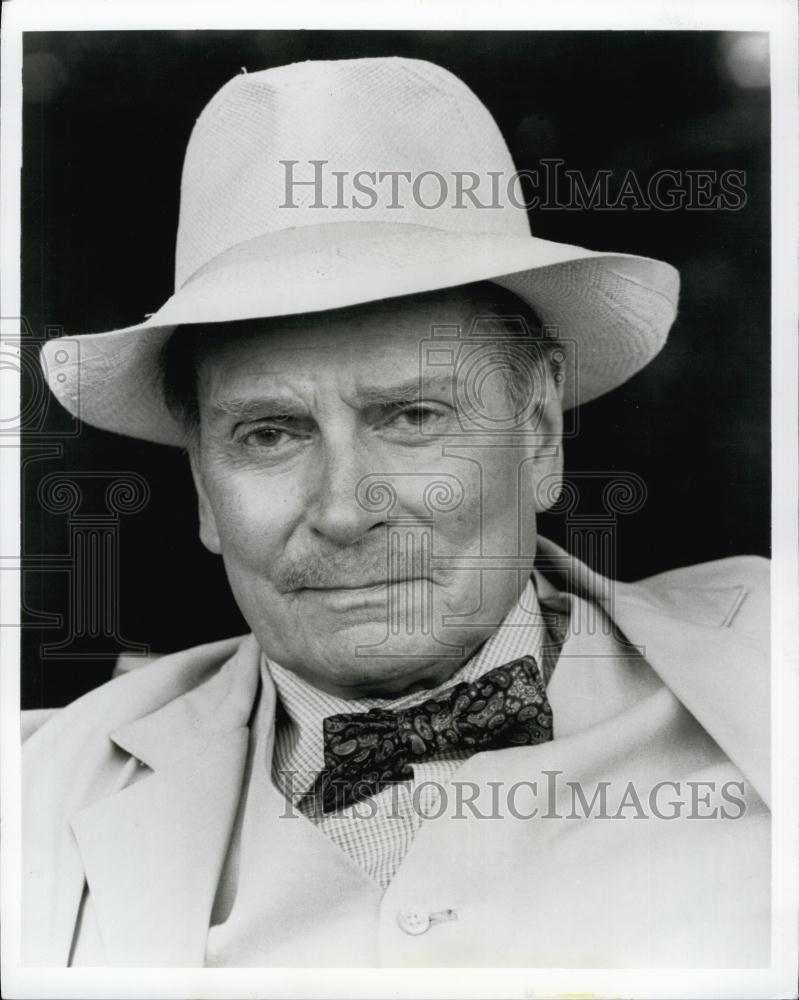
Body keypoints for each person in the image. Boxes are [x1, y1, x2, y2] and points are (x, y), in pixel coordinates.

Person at [23, 56, 769, 968]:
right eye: (269, 435)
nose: (343, 510)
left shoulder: (772, 664)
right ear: (202, 488)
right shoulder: (40, 793)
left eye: (412, 417)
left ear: (537, 436)